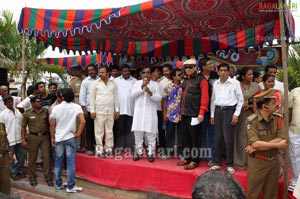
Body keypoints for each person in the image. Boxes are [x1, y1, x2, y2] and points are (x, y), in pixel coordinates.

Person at [245, 88, 287, 199]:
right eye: (273, 103)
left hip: (274, 162)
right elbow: (255, 143)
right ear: (264, 106)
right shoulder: (252, 120)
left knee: (271, 194)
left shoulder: (278, 118)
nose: (277, 104)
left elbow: (282, 138)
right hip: (258, 163)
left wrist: (257, 147)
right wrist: (277, 145)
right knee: (253, 194)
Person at [50, 88, 86, 193]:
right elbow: (83, 122)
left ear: (62, 97)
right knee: (70, 163)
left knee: (58, 162)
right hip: (70, 137)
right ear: (73, 96)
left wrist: (52, 137)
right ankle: (70, 186)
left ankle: (58, 184)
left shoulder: (56, 108)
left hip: (59, 138)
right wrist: (78, 134)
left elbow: (52, 124)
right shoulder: (76, 107)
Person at [210, 63, 244, 174]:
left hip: (229, 111)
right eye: (221, 70)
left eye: (225, 70)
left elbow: (240, 100)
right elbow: (213, 100)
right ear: (217, 71)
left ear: (229, 72)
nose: (223, 72)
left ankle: (229, 164)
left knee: (228, 139)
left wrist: (236, 114)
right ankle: (217, 163)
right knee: (217, 138)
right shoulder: (215, 83)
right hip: (218, 111)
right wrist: (212, 114)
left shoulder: (235, 83)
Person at [176, 58, 209, 170]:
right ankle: (187, 158)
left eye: (190, 67)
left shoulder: (202, 80)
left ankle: (195, 160)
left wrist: (201, 113)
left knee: (195, 138)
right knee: (185, 138)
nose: (188, 69)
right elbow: (182, 98)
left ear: (195, 68)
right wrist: (180, 112)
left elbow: (205, 98)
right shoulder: (184, 80)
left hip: (195, 114)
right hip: (185, 114)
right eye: (186, 67)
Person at [131, 66, 162, 162]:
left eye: (148, 72)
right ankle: (139, 152)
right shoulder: (137, 83)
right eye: (143, 72)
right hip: (139, 113)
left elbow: (159, 98)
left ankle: (150, 153)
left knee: (151, 134)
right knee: (138, 134)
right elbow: (132, 95)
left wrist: (150, 93)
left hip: (150, 113)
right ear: (141, 74)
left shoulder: (156, 85)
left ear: (151, 74)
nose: (145, 74)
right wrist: (142, 88)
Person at [21, 95, 53, 187]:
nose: (40, 103)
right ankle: (32, 177)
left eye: (40, 101)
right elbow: (23, 127)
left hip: (44, 137)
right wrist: (23, 139)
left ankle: (48, 177)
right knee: (32, 158)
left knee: (46, 157)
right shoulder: (27, 113)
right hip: (32, 137)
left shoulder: (45, 111)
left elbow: (50, 123)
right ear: (33, 103)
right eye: (38, 102)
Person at [90, 66, 119, 157]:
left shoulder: (113, 83)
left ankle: (108, 149)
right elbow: (92, 98)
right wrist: (92, 111)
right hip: (99, 111)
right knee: (99, 131)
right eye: (100, 72)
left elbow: (116, 97)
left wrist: (117, 110)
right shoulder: (95, 83)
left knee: (109, 131)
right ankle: (99, 150)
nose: (100, 74)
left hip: (110, 110)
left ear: (108, 73)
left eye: (102, 72)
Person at [234, 67, 259, 168]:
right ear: (243, 76)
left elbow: (258, 99)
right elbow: (232, 98)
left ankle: (251, 161)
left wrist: (249, 105)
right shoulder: (236, 85)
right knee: (240, 136)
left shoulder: (256, 86)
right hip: (239, 114)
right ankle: (240, 161)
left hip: (252, 114)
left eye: (252, 74)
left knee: (251, 136)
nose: (252, 76)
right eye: (249, 74)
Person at [0, 96, 26, 181]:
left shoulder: (18, 112)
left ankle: (20, 170)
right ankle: (13, 173)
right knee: (10, 158)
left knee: (22, 156)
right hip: (9, 140)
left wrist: (24, 137)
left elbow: (22, 125)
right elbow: (1, 129)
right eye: (8, 102)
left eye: (11, 101)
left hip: (19, 138)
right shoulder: (2, 114)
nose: (10, 103)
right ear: (5, 104)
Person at [199, 57, 219, 167]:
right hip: (201, 111)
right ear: (203, 67)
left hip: (213, 110)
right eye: (209, 63)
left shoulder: (216, 76)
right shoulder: (197, 78)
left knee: (212, 134)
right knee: (200, 134)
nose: (212, 65)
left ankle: (211, 157)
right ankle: (201, 155)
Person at [113, 64, 137, 152]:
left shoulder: (135, 81)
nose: (126, 72)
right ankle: (119, 147)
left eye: (127, 71)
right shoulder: (115, 81)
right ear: (121, 72)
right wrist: (115, 109)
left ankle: (129, 147)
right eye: (124, 71)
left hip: (132, 109)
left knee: (130, 129)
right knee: (119, 129)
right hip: (120, 109)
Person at [162, 68, 183, 158]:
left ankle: (181, 153)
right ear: (173, 77)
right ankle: (168, 153)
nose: (181, 76)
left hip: (182, 114)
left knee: (181, 135)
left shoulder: (184, 86)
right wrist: (164, 113)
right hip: (170, 114)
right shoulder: (168, 87)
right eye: (179, 75)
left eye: (181, 74)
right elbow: (164, 101)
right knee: (169, 134)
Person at [79, 63, 99, 155]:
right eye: (89, 70)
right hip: (89, 109)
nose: (91, 72)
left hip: (99, 109)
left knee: (99, 129)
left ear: (96, 70)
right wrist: (84, 109)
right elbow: (82, 96)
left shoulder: (101, 79)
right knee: (89, 129)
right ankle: (90, 147)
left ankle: (98, 146)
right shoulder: (85, 81)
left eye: (92, 70)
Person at [68, 63, 86, 153]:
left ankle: (86, 144)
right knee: (78, 124)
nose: (74, 72)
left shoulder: (86, 79)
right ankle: (78, 144)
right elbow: (70, 93)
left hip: (87, 103)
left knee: (87, 125)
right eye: (73, 70)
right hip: (76, 102)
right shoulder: (72, 80)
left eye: (76, 70)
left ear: (80, 70)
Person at [287, 86, 300, 192]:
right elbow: (289, 109)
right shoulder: (295, 91)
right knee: (295, 156)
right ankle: (296, 180)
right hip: (295, 129)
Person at [0, 122, 11, 195]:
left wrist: (9, 151)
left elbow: (5, 140)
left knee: (5, 178)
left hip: (4, 156)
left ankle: (6, 194)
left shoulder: (1, 125)